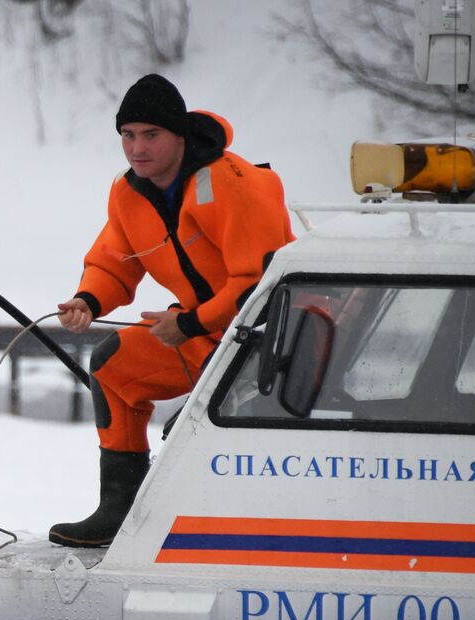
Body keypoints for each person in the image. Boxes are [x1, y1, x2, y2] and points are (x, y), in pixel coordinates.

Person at [50, 74, 295, 547]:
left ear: (179, 136)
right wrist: (88, 300)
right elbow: (112, 261)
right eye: (128, 135)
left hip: (274, 341)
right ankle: (119, 512)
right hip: (204, 337)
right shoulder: (128, 192)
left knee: (202, 423)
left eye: (151, 135)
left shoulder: (234, 182)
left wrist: (187, 323)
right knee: (112, 366)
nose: (137, 148)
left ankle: (245, 530)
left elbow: (258, 286)